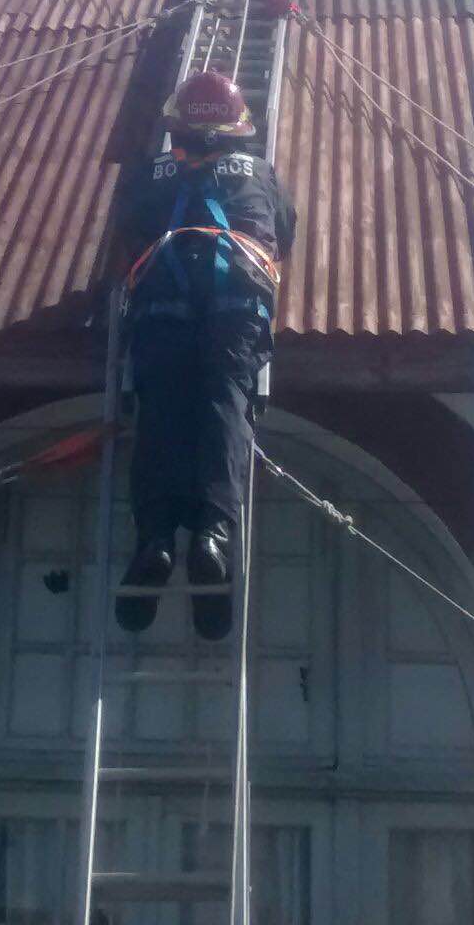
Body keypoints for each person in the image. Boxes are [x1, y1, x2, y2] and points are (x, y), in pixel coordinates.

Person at [116, 69, 296, 641]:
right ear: (236, 131)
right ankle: (214, 537)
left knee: (162, 415)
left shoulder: (150, 173)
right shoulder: (260, 173)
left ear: (177, 133)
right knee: (225, 408)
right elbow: (284, 233)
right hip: (236, 305)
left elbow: (127, 229)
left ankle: (156, 540)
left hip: (162, 306)